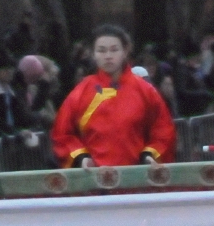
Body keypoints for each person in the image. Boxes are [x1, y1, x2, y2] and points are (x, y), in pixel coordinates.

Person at [51, 25, 177, 168]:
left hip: (137, 176)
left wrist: (149, 154)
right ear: (93, 54)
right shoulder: (80, 92)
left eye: (114, 50)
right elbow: (62, 134)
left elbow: (163, 129)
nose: (108, 56)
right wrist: (81, 156)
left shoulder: (145, 90)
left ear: (125, 51)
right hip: (94, 179)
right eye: (101, 50)